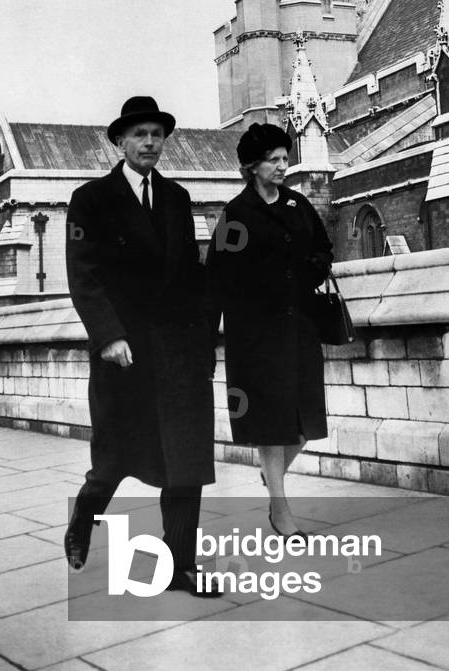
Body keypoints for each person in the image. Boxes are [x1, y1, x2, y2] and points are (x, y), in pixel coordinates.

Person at [64, 96, 220, 597]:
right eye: (140, 135)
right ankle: (84, 516)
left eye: (157, 134)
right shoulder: (91, 199)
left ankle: (180, 566)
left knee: (185, 456)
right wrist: (108, 335)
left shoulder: (176, 198)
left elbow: (190, 272)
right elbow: (83, 276)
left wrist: (205, 334)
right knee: (114, 456)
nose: (150, 142)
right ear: (120, 142)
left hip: (178, 349)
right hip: (123, 351)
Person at [206, 122, 332, 539]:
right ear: (252, 166)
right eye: (273, 160)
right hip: (256, 337)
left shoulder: (297, 204)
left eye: (284, 158)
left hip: (300, 329)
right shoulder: (236, 215)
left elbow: (323, 248)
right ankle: (280, 510)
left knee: (305, 421)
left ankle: (272, 478)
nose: (282, 166)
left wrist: (311, 270)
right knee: (270, 423)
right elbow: (216, 278)